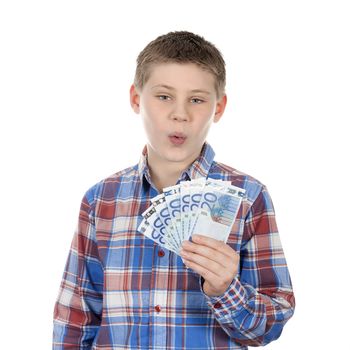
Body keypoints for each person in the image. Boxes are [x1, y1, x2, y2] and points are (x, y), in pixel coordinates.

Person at [53, 30, 295, 349]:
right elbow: (76, 317)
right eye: (164, 96)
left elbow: (270, 326)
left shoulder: (249, 198)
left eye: (196, 99)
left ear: (218, 108)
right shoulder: (100, 200)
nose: (180, 113)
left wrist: (226, 289)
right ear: (136, 98)